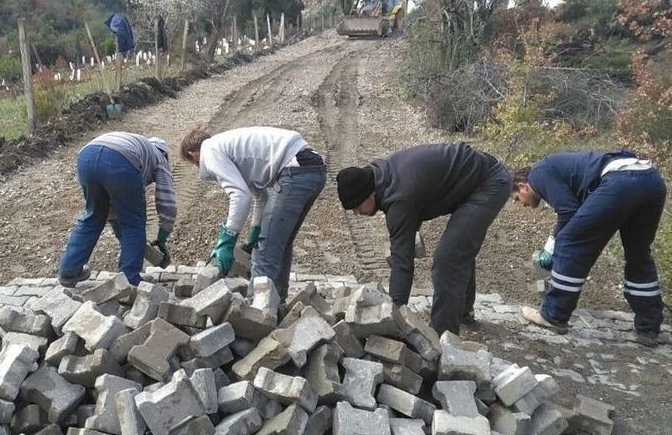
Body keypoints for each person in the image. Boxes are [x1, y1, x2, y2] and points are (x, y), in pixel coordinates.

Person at [336, 142, 511, 335]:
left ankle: (443, 338)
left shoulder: (398, 200)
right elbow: (418, 191)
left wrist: (392, 316)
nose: (356, 213)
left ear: (369, 194)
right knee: (457, 249)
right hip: (473, 176)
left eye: (356, 206)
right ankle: (461, 311)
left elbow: (402, 262)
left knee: (448, 259)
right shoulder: (380, 174)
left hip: (489, 184)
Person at [511, 151, 666, 346]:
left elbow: (568, 212)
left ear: (523, 186)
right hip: (651, 180)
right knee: (639, 255)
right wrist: (552, 242)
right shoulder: (559, 170)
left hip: (621, 181)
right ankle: (649, 327)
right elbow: (572, 211)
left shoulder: (538, 174)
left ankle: (553, 315)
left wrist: (553, 247)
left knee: (570, 243)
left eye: (517, 198)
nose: (521, 204)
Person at [180, 126, 326, 300]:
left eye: (195, 163)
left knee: (264, 251)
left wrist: (227, 241)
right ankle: (277, 304)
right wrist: (254, 233)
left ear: (193, 154)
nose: (198, 166)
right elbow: (260, 197)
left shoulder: (210, 150)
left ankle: (256, 314)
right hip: (313, 169)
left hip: (294, 172)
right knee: (280, 242)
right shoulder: (231, 149)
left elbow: (240, 196)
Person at [57, 131, 177, 287]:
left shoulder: (139, 146)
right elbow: (167, 201)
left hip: (86, 157)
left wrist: (120, 232)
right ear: (165, 154)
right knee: (133, 222)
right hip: (119, 160)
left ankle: (68, 271)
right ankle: (129, 279)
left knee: (94, 216)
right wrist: (163, 235)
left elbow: (114, 203)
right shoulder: (159, 157)